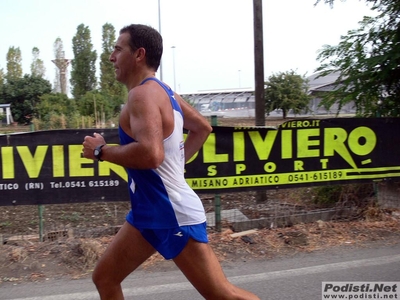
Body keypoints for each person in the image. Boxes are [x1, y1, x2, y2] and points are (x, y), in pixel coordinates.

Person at [82, 24, 260, 300]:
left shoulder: (142, 94)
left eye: (118, 49)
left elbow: (152, 154)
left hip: (170, 211)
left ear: (139, 54)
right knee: (105, 277)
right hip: (148, 211)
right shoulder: (165, 92)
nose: (111, 57)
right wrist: (175, 167)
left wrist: (100, 152)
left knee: (223, 295)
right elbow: (202, 128)